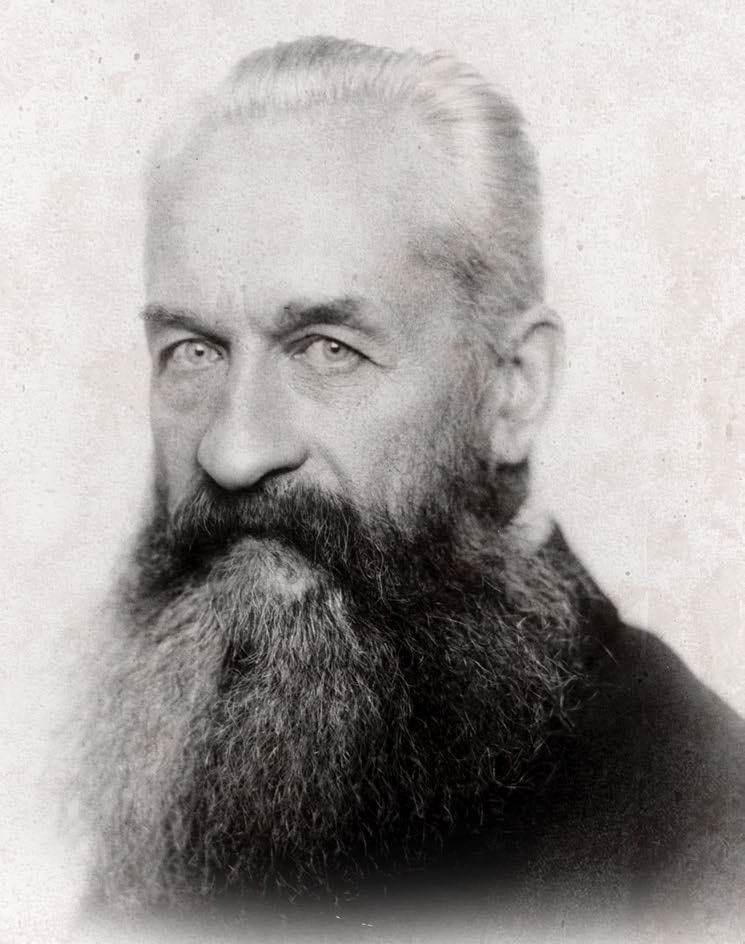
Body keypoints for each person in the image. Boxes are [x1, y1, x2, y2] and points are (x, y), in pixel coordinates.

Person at [74, 35, 745, 937]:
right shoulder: (183, 793)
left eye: (328, 348)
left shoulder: (698, 857)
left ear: (511, 389)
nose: (233, 452)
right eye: (193, 351)